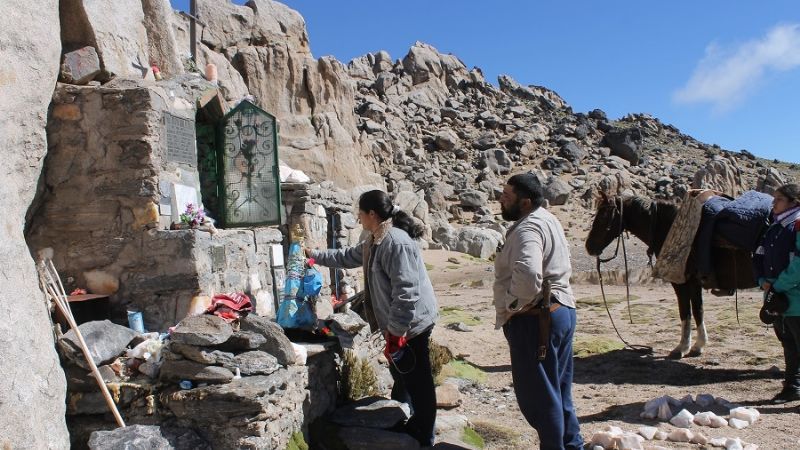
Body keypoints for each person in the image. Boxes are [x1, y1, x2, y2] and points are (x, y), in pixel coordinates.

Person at [307, 189, 439, 446]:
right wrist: (313, 255)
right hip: (401, 324)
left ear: (372, 214)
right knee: (403, 374)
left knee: (418, 378)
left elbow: (407, 291)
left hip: (412, 323)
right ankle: (409, 420)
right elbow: (346, 257)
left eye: (360, 213)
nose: (358, 218)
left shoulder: (395, 242)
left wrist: (397, 332)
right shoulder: (375, 240)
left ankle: (425, 434)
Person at [493, 173, 583, 449]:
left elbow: (529, 275)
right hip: (561, 310)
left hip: (536, 319)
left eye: (507, 196)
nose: (501, 200)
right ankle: (572, 445)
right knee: (558, 392)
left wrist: (510, 305)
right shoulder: (548, 219)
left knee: (541, 399)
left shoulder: (527, 228)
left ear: (525, 202)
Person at [753, 183, 800, 404]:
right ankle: (792, 387)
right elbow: (760, 255)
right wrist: (762, 280)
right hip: (777, 298)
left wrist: (777, 286)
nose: (774, 203)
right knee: (788, 343)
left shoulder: (797, 225)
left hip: (795, 297)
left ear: (794, 202)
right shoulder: (774, 227)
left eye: (779, 199)